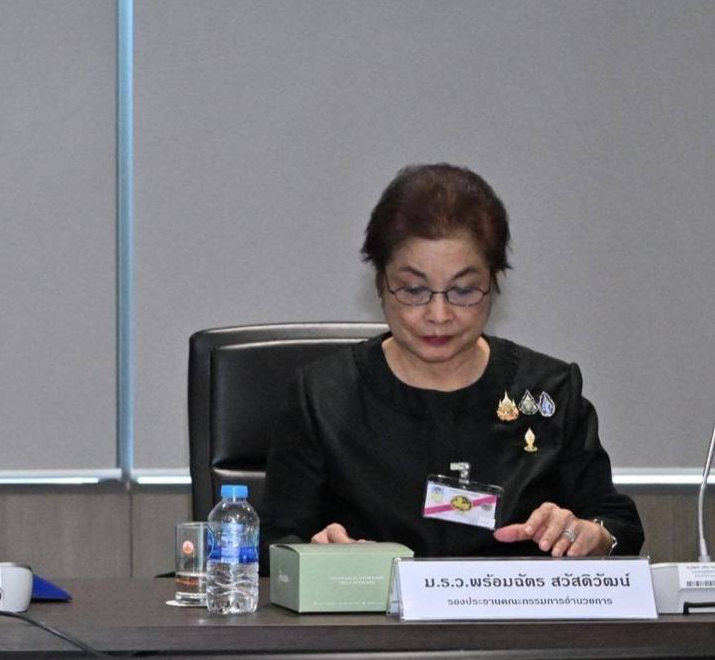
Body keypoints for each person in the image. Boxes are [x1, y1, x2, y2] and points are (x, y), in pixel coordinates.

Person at [264, 164, 643, 558]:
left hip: (510, 600)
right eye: (414, 290)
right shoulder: (323, 397)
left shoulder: (549, 393)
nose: (439, 315)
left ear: (494, 283)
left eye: (463, 291)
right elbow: (272, 543)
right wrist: (316, 555)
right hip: (372, 600)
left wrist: (592, 535)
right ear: (380, 283)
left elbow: (619, 526)